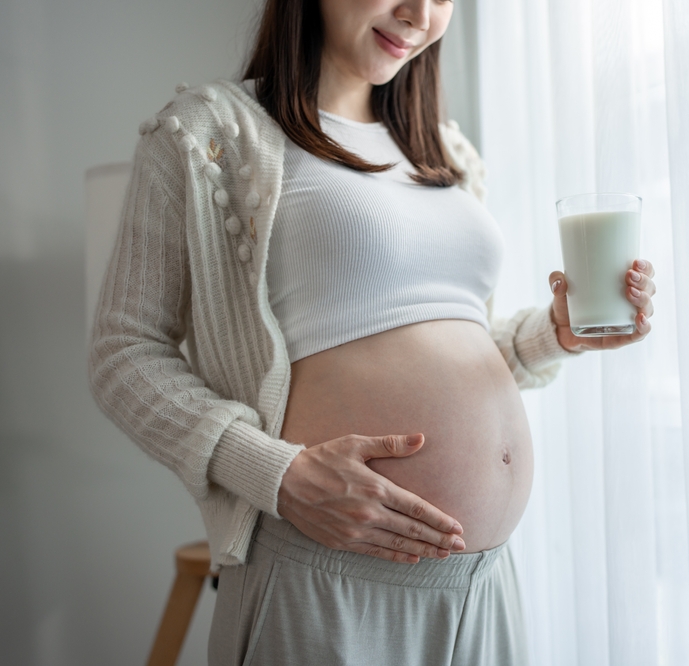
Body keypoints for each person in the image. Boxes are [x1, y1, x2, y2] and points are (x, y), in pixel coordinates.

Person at [88, 0, 656, 663]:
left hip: (484, 586)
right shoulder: (210, 132)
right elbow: (123, 352)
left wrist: (553, 334)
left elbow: (450, 347)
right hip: (328, 577)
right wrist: (278, 474)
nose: (419, 14)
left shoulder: (446, 151)